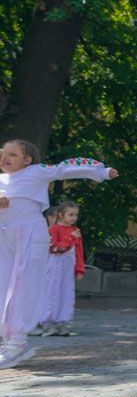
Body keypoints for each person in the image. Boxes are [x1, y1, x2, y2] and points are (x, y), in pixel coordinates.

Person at [0, 141, 117, 369]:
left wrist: (100, 171)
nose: (6, 158)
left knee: (22, 285)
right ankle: (8, 341)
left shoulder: (36, 172)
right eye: (4, 154)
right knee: (3, 285)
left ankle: (18, 342)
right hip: (5, 235)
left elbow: (65, 168)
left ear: (28, 160)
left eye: (13, 154)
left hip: (29, 233)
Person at [41, 200, 86, 337]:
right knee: (53, 292)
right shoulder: (53, 229)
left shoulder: (75, 231)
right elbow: (54, 248)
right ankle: (48, 323)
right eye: (70, 214)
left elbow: (79, 250)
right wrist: (70, 238)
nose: (74, 218)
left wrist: (79, 268)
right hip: (56, 265)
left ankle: (63, 322)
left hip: (68, 267)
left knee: (66, 293)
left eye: (75, 215)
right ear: (61, 215)